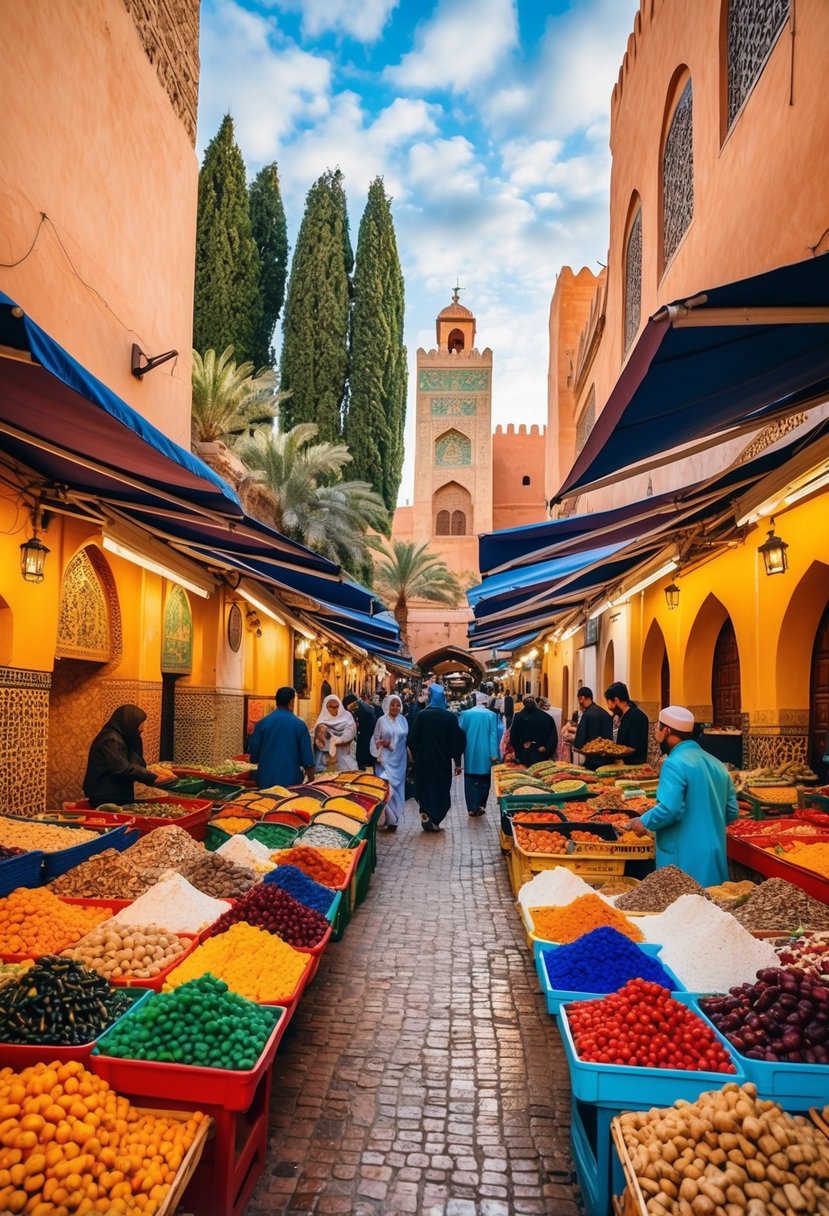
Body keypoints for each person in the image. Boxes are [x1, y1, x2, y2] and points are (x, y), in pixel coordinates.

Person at [625, 705, 739, 886]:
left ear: (667, 730)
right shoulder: (717, 764)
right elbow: (732, 812)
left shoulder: (674, 763)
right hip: (714, 857)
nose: (656, 735)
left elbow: (670, 808)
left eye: (658, 729)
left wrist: (643, 821)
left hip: (684, 861)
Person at [407, 687, 466, 832]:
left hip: (425, 760)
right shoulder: (450, 717)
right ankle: (436, 818)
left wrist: (415, 757)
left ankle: (426, 812)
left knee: (426, 786)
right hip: (443, 760)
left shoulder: (422, 715)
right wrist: (457, 763)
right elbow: (457, 742)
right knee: (441, 788)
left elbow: (413, 739)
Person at [83, 705, 159, 808]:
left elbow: (135, 762)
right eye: (139, 724)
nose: (142, 728)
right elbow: (121, 768)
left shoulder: (123, 737)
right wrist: (152, 777)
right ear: (129, 722)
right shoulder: (110, 739)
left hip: (116, 794)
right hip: (105, 796)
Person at [248, 686, 315, 788]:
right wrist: (311, 779)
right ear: (292, 702)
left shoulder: (262, 724)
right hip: (291, 781)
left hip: (265, 780)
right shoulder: (299, 725)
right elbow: (307, 760)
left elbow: (253, 757)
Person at [370, 694, 409, 831]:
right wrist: (383, 744)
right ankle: (386, 817)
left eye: (398, 705)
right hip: (384, 761)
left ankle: (394, 820)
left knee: (397, 790)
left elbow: (405, 740)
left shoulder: (403, 720)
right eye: (392, 705)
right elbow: (375, 738)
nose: (395, 707)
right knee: (387, 789)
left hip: (400, 761)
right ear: (387, 705)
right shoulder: (382, 720)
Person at [459, 692, 500, 817]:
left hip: (469, 752)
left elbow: (460, 733)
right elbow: (493, 735)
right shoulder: (491, 715)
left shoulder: (465, 714)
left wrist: (458, 755)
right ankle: (481, 805)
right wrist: (494, 754)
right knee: (484, 781)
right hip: (485, 753)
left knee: (470, 780)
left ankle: (472, 807)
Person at [605, 681, 650, 766]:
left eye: (608, 702)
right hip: (621, 766)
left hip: (633, 769)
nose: (609, 708)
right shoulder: (621, 716)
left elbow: (632, 748)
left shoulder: (637, 717)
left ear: (616, 700)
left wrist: (608, 751)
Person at [508, 695, 558, 767]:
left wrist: (519, 748)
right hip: (541, 755)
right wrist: (546, 750)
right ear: (534, 701)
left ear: (523, 703)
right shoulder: (547, 718)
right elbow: (553, 739)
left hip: (523, 756)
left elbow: (513, 739)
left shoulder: (518, 717)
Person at [573, 686, 615, 771]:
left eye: (579, 699)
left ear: (582, 698)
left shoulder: (587, 714)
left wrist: (575, 743)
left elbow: (579, 741)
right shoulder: (605, 713)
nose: (579, 702)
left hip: (592, 761)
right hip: (608, 759)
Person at [312, 694, 358, 772]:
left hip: (346, 760)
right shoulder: (322, 722)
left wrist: (339, 740)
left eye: (336, 706)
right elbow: (320, 743)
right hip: (326, 762)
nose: (334, 709)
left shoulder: (347, 716)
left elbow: (351, 732)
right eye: (331, 707)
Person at [343, 692, 376, 770]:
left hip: (366, 741)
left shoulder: (362, 709)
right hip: (368, 739)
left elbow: (358, 725)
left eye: (350, 709)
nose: (351, 711)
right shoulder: (363, 706)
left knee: (364, 765)